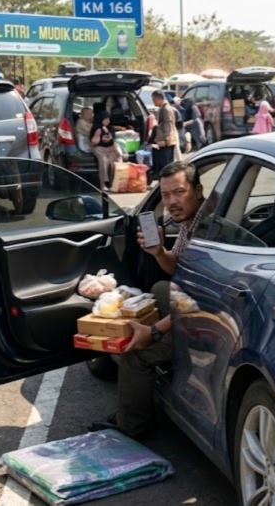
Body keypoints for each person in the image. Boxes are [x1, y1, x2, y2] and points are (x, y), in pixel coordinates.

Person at [90, 160, 208, 439]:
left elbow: (198, 298)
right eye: (166, 195)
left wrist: (153, 332)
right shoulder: (189, 222)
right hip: (196, 304)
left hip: (209, 316)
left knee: (136, 352)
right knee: (159, 287)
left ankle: (132, 425)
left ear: (198, 190)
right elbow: (176, 268)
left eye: (179, 192)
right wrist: (158, 252)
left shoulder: (206, 231)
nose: (171, 202)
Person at [90, 110, 122, 191]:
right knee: (103, 161)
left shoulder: (110, 128)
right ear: (101, 119)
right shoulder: (96, 128)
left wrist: (116, 151)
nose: (108, 121)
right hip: (99, 148)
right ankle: (103, 184)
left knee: (114, 161)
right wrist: (96, 136)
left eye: (109, 119)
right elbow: (93, 143)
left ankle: (113, 183)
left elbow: (112, 141)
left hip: (110, 148)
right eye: (106, 119)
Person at [149, 90, 179, 173]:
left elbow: (168, 124)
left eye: (154, 100)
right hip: (165, 139)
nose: (153, 102)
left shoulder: (166, 109)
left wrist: (166, 138)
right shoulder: (163, 108)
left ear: (159, 99)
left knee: (166, 164)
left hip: (167, 140)